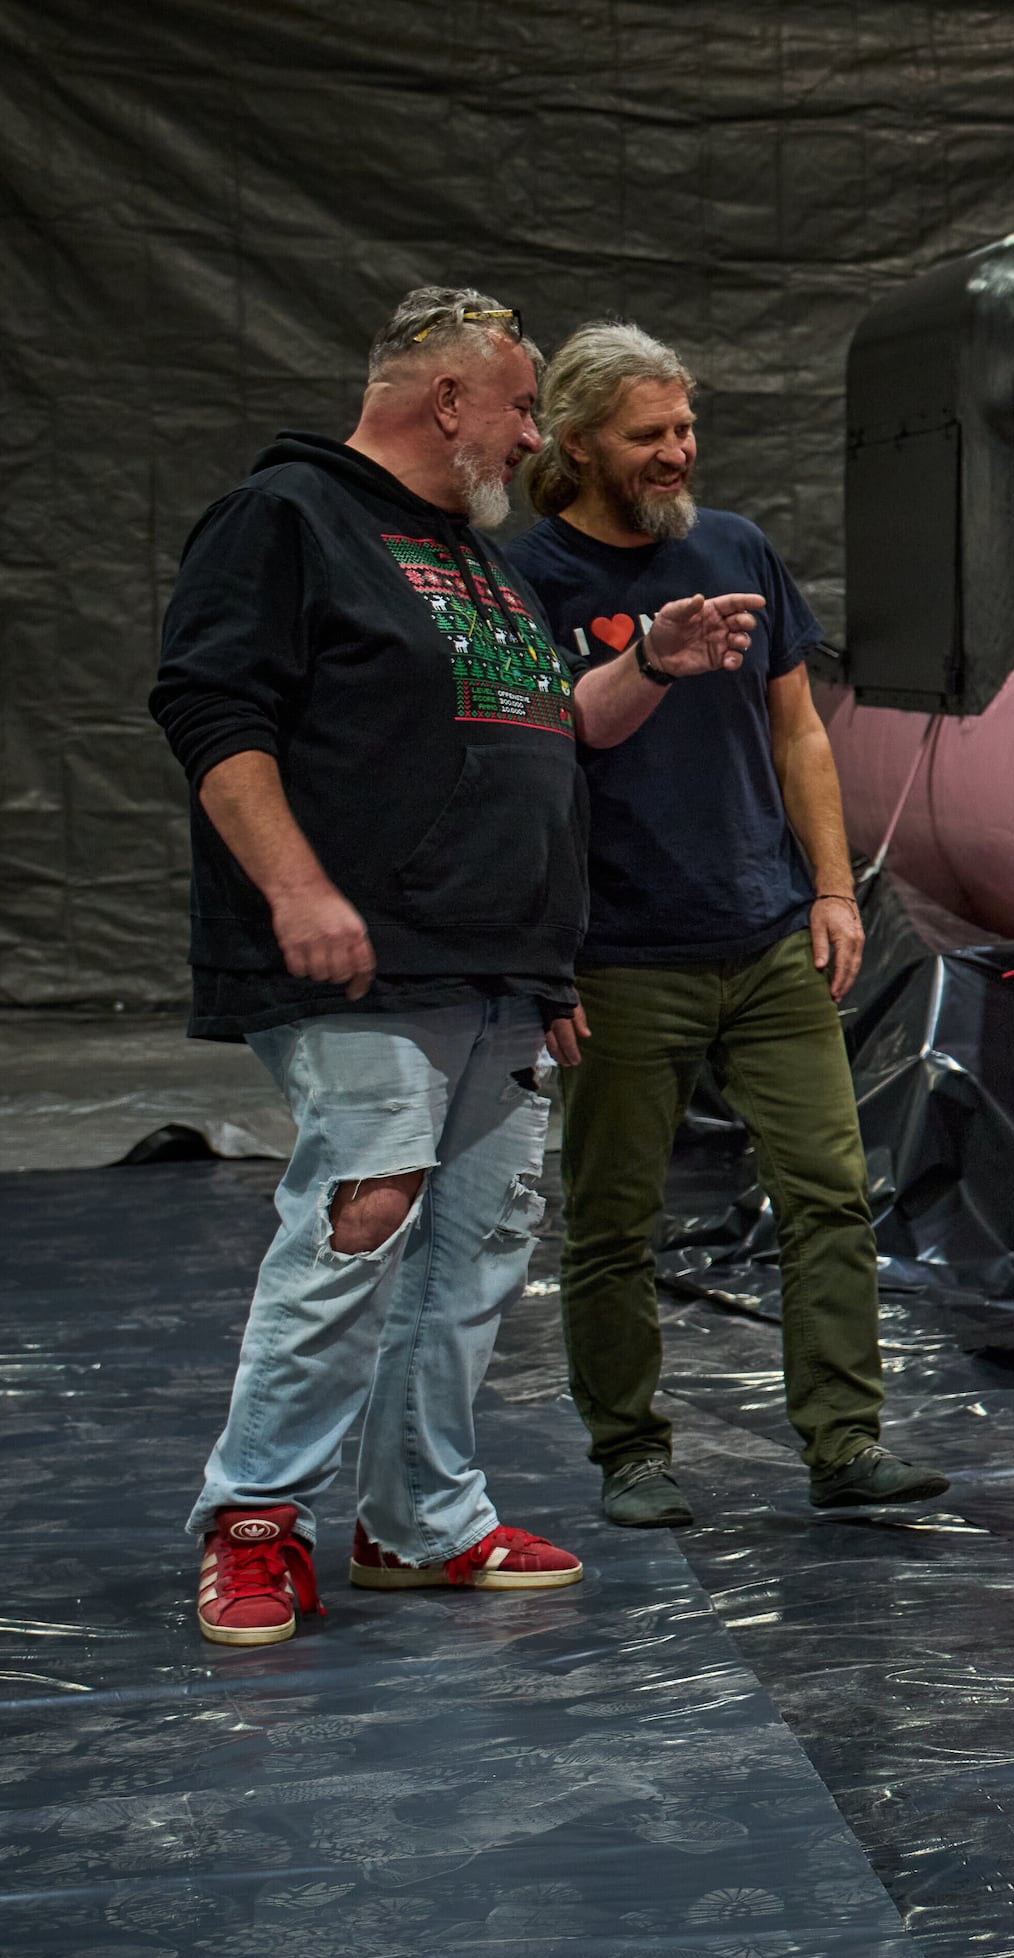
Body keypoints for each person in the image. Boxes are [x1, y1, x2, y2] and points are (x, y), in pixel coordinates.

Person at [153, 287, 769, 1647]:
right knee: (360, 1219)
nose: (529, 436)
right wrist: (299, 887)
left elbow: (545, 728)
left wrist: (650, 668)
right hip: (369, 956)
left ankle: (418, 1520)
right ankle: (255, 1521)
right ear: (448, 401)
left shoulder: (475, 558)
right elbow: (211, 710)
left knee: (476, 1248)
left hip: (500, 968)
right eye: (518, 409)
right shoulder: (291, 518)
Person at [505, 323, 946, 1528]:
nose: (676, 453)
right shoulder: (530, 577)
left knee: (830, 1193)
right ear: (582, 442)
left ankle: (846, 1442)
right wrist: (549, 961)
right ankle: (631, 1453)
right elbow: (547, 756)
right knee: (612, 1218)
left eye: (685, 430)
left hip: (765, 939)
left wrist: (834, 887)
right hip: (621, 953)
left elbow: (800, 730)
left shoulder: (737, 548)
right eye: (648, 435)